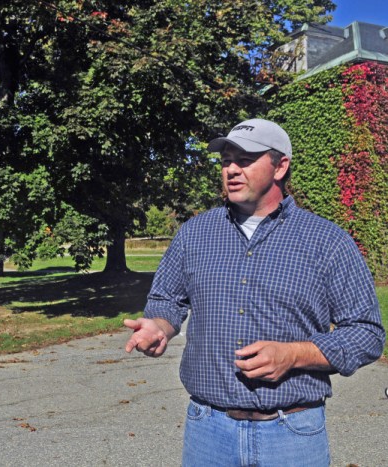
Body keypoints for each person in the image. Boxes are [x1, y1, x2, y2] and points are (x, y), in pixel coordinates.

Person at [123, 118, 385, 466]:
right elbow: (167, 301)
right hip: (208, 431)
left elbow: (366, 334)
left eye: (245, 160)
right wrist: (160, 326)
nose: (231, 169)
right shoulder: (194, 234)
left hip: (292, 433)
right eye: (226, 160)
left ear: (281, 167)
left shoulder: (328, 242)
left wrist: (294, 355)